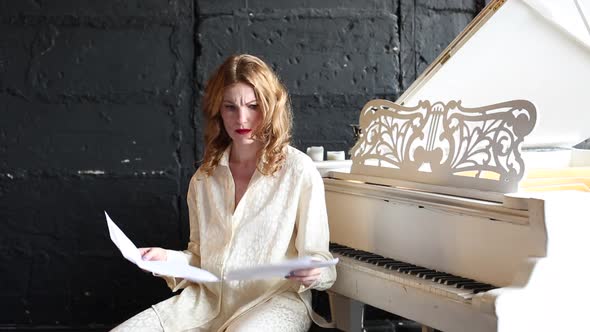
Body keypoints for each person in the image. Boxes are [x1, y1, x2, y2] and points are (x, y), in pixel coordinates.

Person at [112, 54, 336, 332]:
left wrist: (314, 270)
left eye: (253, 106)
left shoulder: (299, 171)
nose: (242, 119)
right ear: (218, 111)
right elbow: (199, 260)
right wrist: (165, 259)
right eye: (230, 107)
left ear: (270, 107)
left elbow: (324, 264)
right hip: (205, 303)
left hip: (274, 302)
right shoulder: (204, 180)